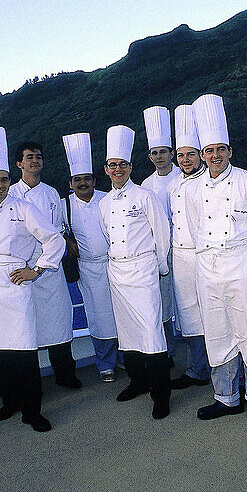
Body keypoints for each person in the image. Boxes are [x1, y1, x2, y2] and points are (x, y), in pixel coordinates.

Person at [0, 127, 66, 432]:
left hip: (15, 283)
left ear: (10, 181)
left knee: (23, 351)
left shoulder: (25, 208)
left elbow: (55, 240)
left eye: (4, 180)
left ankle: (32, 411)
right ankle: (9, 401)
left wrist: (37, 269)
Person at [186, 93, 247, 428]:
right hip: (207, 267)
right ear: (203, 154)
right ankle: (225, 397)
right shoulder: (193, 190)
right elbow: (197, 228)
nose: (214, 156)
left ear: (230, 152)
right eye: (208, 151)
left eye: (219, 150)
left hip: (241, 264)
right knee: (217, 332)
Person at [97, 125, 173, 419]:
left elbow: (162, 231)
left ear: (130, 167)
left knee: (152, 333)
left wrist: (160, 266)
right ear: (106, 169)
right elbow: (106, 234)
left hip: (142, 270)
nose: (117, 169)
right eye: (112, 165)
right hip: (117, 271)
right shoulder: (103, 204)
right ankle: (138, 382)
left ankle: (160, 395)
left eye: (122, 165)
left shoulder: (144, 197)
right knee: (127, 333)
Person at [13, 141, 81, 389]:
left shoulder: (51, 193)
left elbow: (60, 228)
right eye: (29, 157)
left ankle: (66, 374)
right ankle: (28, 383)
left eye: (38, 157)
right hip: (21, 268)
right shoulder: (10, 194)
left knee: (59, 321)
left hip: (50, 267)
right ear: (19, 164)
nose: (35, 161)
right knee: (23, 327)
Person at [62, 132, 119, 382]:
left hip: (115, 265)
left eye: (87, 179)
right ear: (71, 182)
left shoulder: (108, 199)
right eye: (78, 179)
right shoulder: (64, 206)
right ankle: (105, 363)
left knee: (123, 311)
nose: (83, 183)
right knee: (98, 317)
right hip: (87, 269)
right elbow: (54, 231)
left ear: (95, 180)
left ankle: (127, 357)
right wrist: (66, 239)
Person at [167, 104, 211, 390]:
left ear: (201, 156)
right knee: (189, 314)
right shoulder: (173, 185)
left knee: (214, 312)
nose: (185, 159)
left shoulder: (209, 182)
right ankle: (197, 369)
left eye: (190, 155)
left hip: (206, 256)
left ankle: (226, 370)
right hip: (181, 258)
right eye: (181, 155)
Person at [141, 106, 179, 358]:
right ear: (149, 156)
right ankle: (168, 354)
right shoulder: (145, 185)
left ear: (171, 153)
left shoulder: (184, 177)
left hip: (187, 249)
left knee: (190, 304)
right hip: (159, 252)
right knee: (163, 304)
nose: (159, 156)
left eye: (163, 152)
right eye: (154, 153)